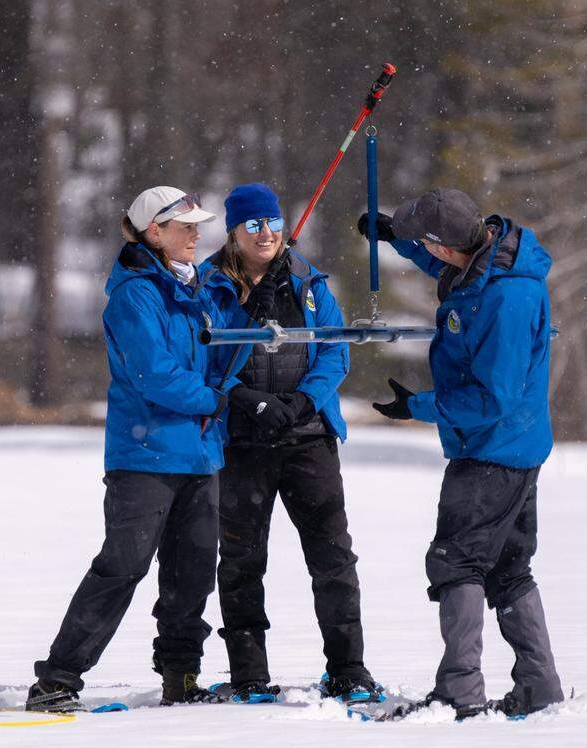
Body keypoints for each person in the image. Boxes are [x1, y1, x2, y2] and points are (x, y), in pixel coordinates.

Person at [360, 188, 564, 719]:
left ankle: (459, 691)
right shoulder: (488, 261)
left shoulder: (505, 299)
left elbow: (492, 398)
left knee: (456, 562)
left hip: (493, 450)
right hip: (511, 445)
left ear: (446, 241)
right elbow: (446, 264)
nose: (425, 251)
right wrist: (394, 240)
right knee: (509, 568)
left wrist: (419, 407)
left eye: (423, 242)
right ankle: (539, 688)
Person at [28, 186, 228, 711]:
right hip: (145, 457)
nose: (196, 235)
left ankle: (181, 679)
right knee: (123, 566)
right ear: (153, 232)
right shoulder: (136, 294)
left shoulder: (199, 288)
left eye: (197, 226)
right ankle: (57, 680)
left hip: (200, 455)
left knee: (192, 574)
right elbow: (154, 374)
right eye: (184, 227)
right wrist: (216, 398)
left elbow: (221, 349)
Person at [198, 183, 380, 704]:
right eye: (254, 225)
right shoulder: (210, 286)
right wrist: (248, 399)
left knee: (333, 558)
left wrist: (303, 402)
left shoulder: (307, 281)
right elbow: (203, 362)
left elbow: (336, 351)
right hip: (243, 443)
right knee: (241, 560)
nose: (267, 234)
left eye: (273, 223)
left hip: (308, 440)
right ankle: (249, 673)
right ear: (233, 231)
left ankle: (348, 668)